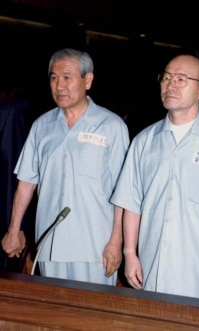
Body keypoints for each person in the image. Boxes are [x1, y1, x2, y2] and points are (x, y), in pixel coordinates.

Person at [110, 53, 199, 301]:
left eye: (182, 79)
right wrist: (130, 252)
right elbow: (131, 202)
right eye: (166, 78)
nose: (171, 84)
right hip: (152, 271)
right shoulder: (144, 141)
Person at [2, 48, 130, 285]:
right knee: (55, 318)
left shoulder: (111, 126)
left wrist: (117, 241)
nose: (59, 85)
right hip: (50, 245)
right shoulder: (42, 126)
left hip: (95, 247)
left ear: (88, 80)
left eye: (67, 77)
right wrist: (13, 229)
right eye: (53, 77)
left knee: (94, 318)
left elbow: (124, 193)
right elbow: (26, 184)